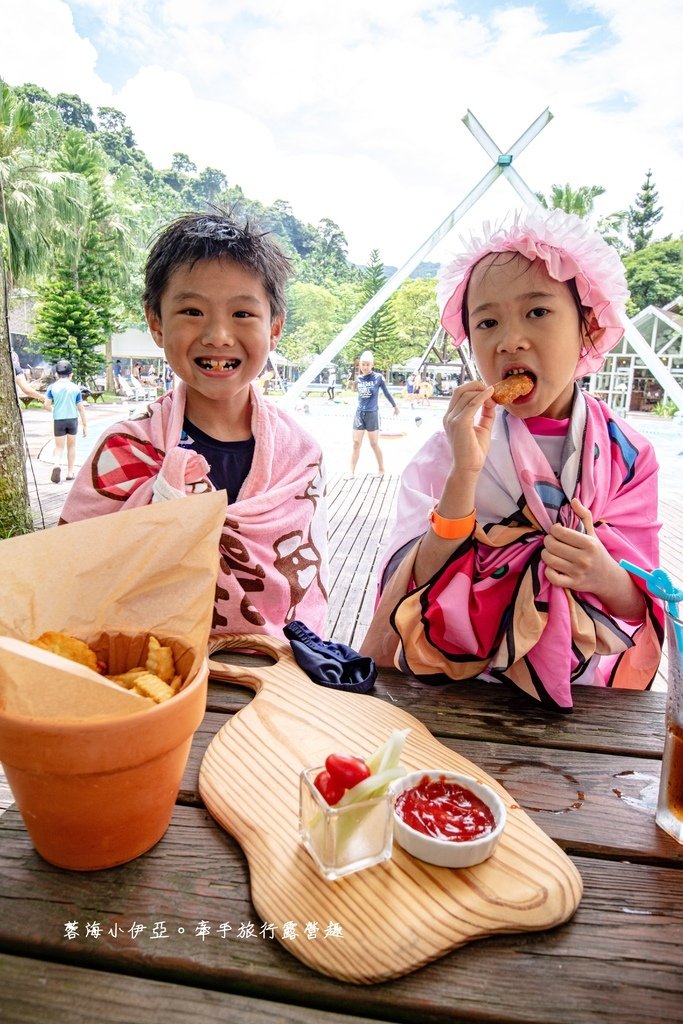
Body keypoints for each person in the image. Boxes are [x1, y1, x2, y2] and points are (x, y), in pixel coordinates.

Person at [361, 209, 664, 711]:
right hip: (460, 684)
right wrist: (465, 473)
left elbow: (639, 602)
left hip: (585, 695)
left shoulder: (627, 457)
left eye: (538, 312)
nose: (510, 340)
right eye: (487, 322)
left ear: (587, 326)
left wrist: (604, 575)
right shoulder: (448, 447)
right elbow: (413, 578)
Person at [60, 210, 329, 639]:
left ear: (274, 328)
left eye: (243, 314)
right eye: (191, 310)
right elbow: (75, 573)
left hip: (276, 673)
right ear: (156, 324)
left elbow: (303, 585)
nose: (218, 335)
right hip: (147, 671)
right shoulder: (127, 448)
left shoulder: (300, 454)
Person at [350, 350, 399, 477]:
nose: (365, 367)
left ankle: (381, 469)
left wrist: (395, 406)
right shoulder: (359, 378)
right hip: (359, 414)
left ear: (372, 365)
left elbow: (387, 393)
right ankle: (351, 471)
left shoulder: (378, 378)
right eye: (363, 364)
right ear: (360, 364)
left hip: (372, 414)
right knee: (356, 443)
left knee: (373, 444)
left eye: (367, 364)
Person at [43, 359, 88, 483]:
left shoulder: (52, 387)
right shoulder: (75, 388)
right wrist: (85, 425)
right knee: (72, 445)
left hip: (59, 420)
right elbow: (81, 408)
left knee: (58, 447)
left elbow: (46, 405)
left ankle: (56, 464)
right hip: (72, 419)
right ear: (71, 374)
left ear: (56, 374)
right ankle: (69, 472)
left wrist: (54, 410)